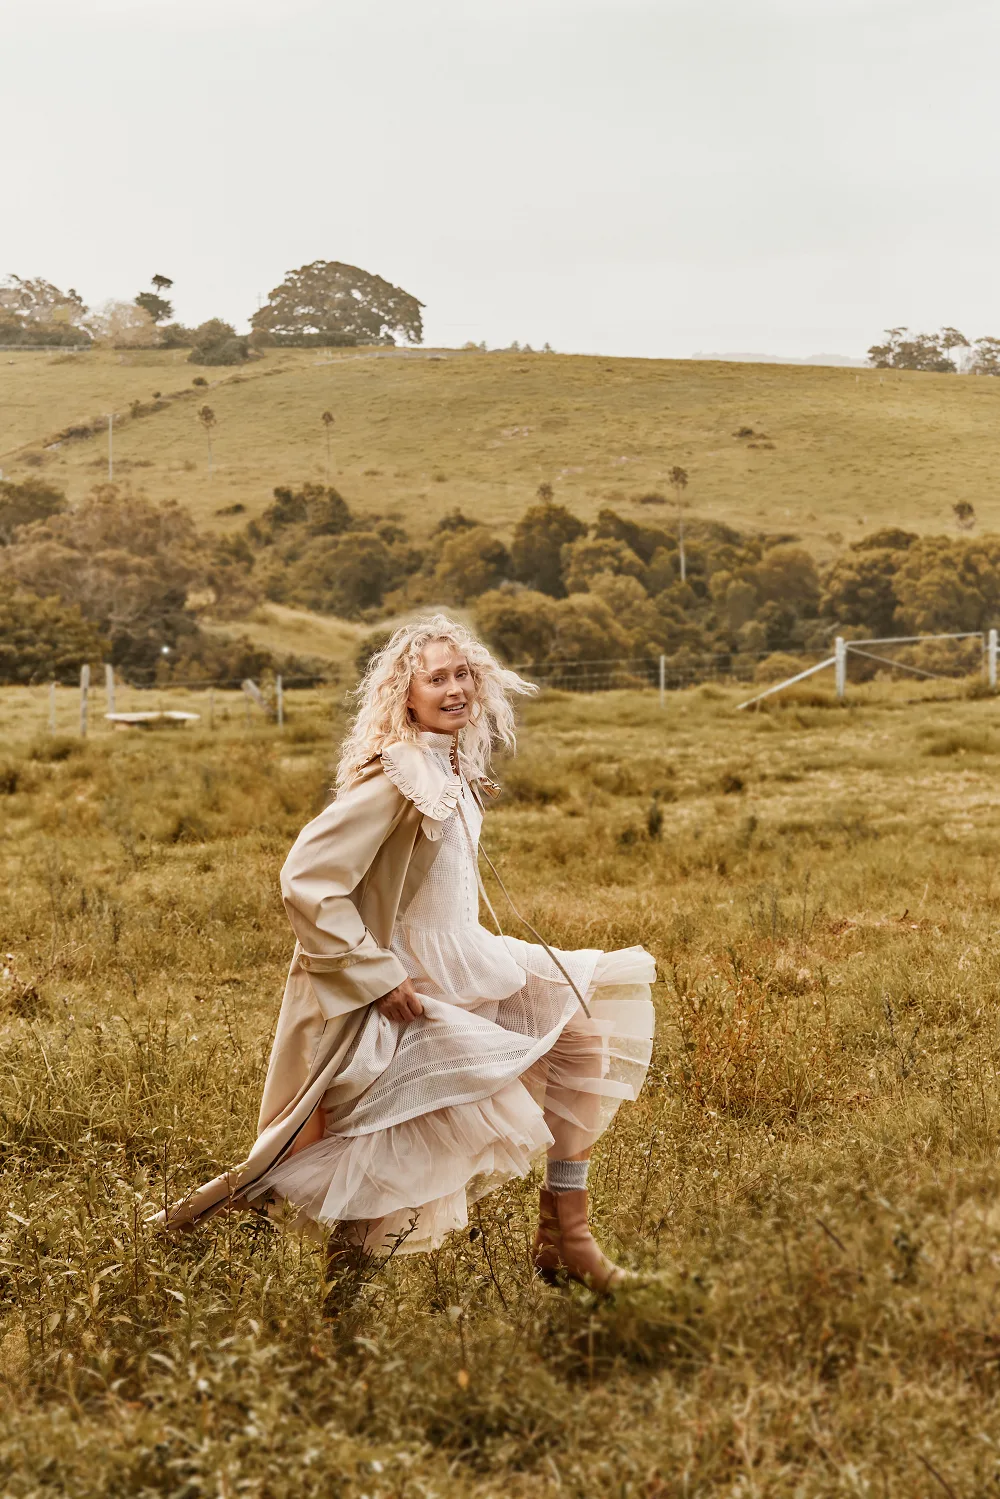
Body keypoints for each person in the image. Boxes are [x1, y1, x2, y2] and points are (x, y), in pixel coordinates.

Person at [154, 615, 655, 1293]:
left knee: (580, 1038)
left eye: (462, 674)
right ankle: (325, 1301)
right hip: (411, 980)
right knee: (383, 1150)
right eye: (436, 678)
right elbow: (307, 878)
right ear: (406, 695)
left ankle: (566, 1237)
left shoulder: (452, 764)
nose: (455, 689)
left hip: (465, 955)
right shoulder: (400, 773)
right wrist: (376, 973)